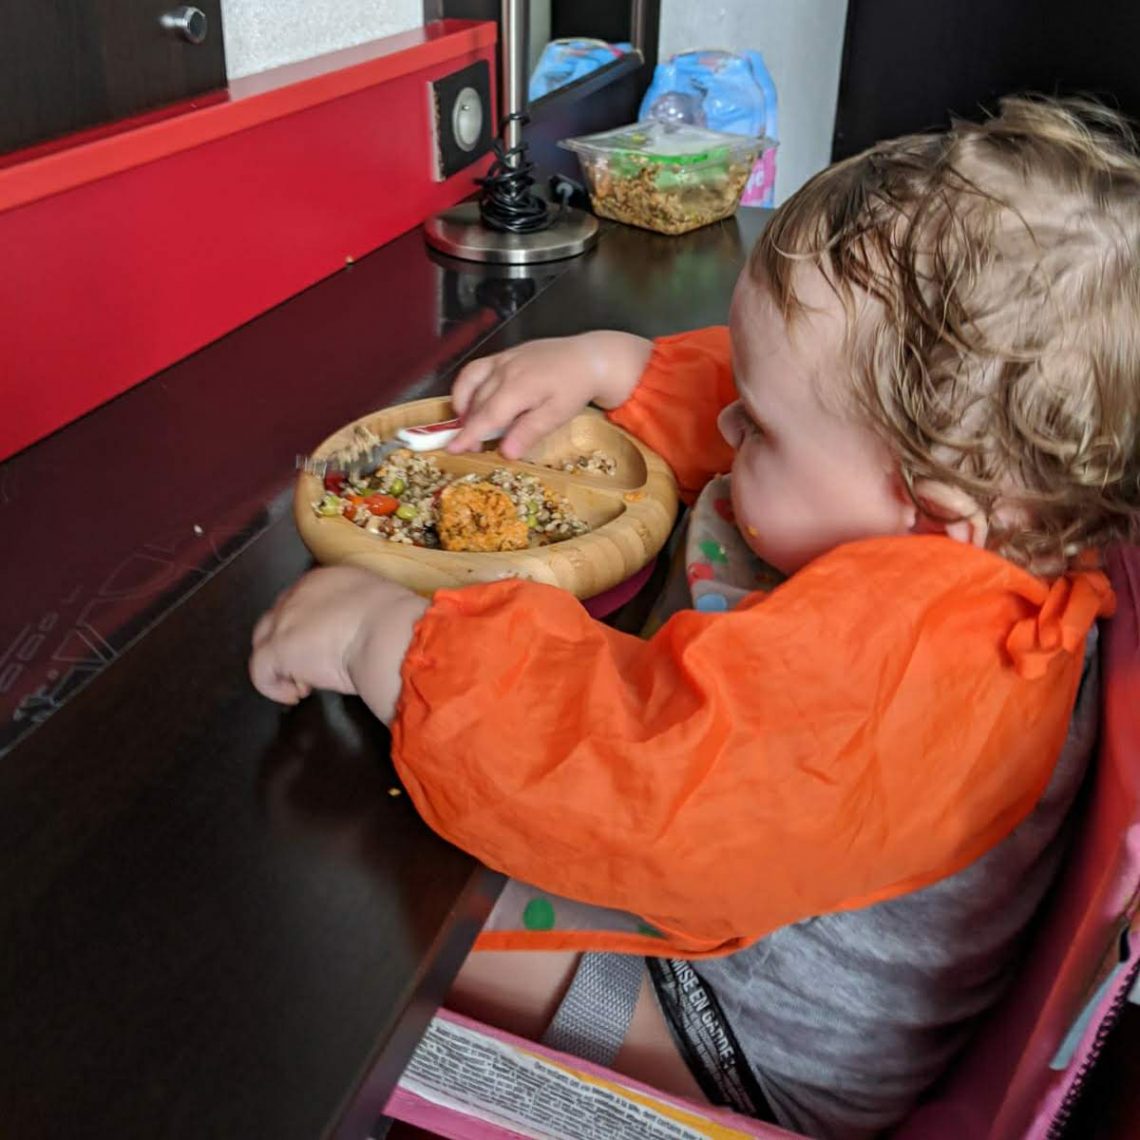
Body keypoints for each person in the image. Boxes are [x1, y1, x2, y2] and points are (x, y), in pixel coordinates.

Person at [249, 97, 1140, 1138]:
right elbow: (803, 397)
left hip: (732, 1041)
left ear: (934, 511)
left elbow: (636, 778)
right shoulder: (970, 518)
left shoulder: (910, 668)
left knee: (344, 940)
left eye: (754, 431)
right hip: (720, 916)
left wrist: (388, 642)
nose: (727, 425)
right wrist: (617, 368)